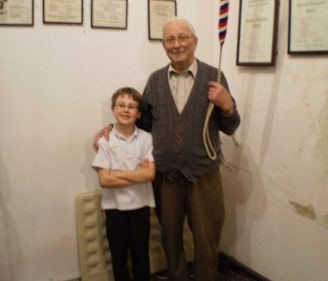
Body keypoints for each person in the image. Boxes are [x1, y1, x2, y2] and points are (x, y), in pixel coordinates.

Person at [95, 18, 240, 281]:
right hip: (166, 176)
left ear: (194, 41)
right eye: (170, 40)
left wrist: (228, 105)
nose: (177, 44)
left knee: (206, 240)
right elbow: (142, 123)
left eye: (183, 37)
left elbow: (230, 127)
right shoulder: (155, 81)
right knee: (170, 239)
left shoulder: (214, 77)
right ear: (163, 45)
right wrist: (111, 129)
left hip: (204, 174)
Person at [92, 87, 155, 281]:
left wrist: (116, 174)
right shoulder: (105, 140)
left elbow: (150, 174)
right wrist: (137, 173)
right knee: (118, 257)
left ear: (139, 114)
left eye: (132, 106)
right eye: (121, 105)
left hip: (140, 206)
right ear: (113, 110)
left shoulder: (146, 138)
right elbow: (104, 180)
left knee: (141, 255)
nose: (126, 110)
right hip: (114, 208)